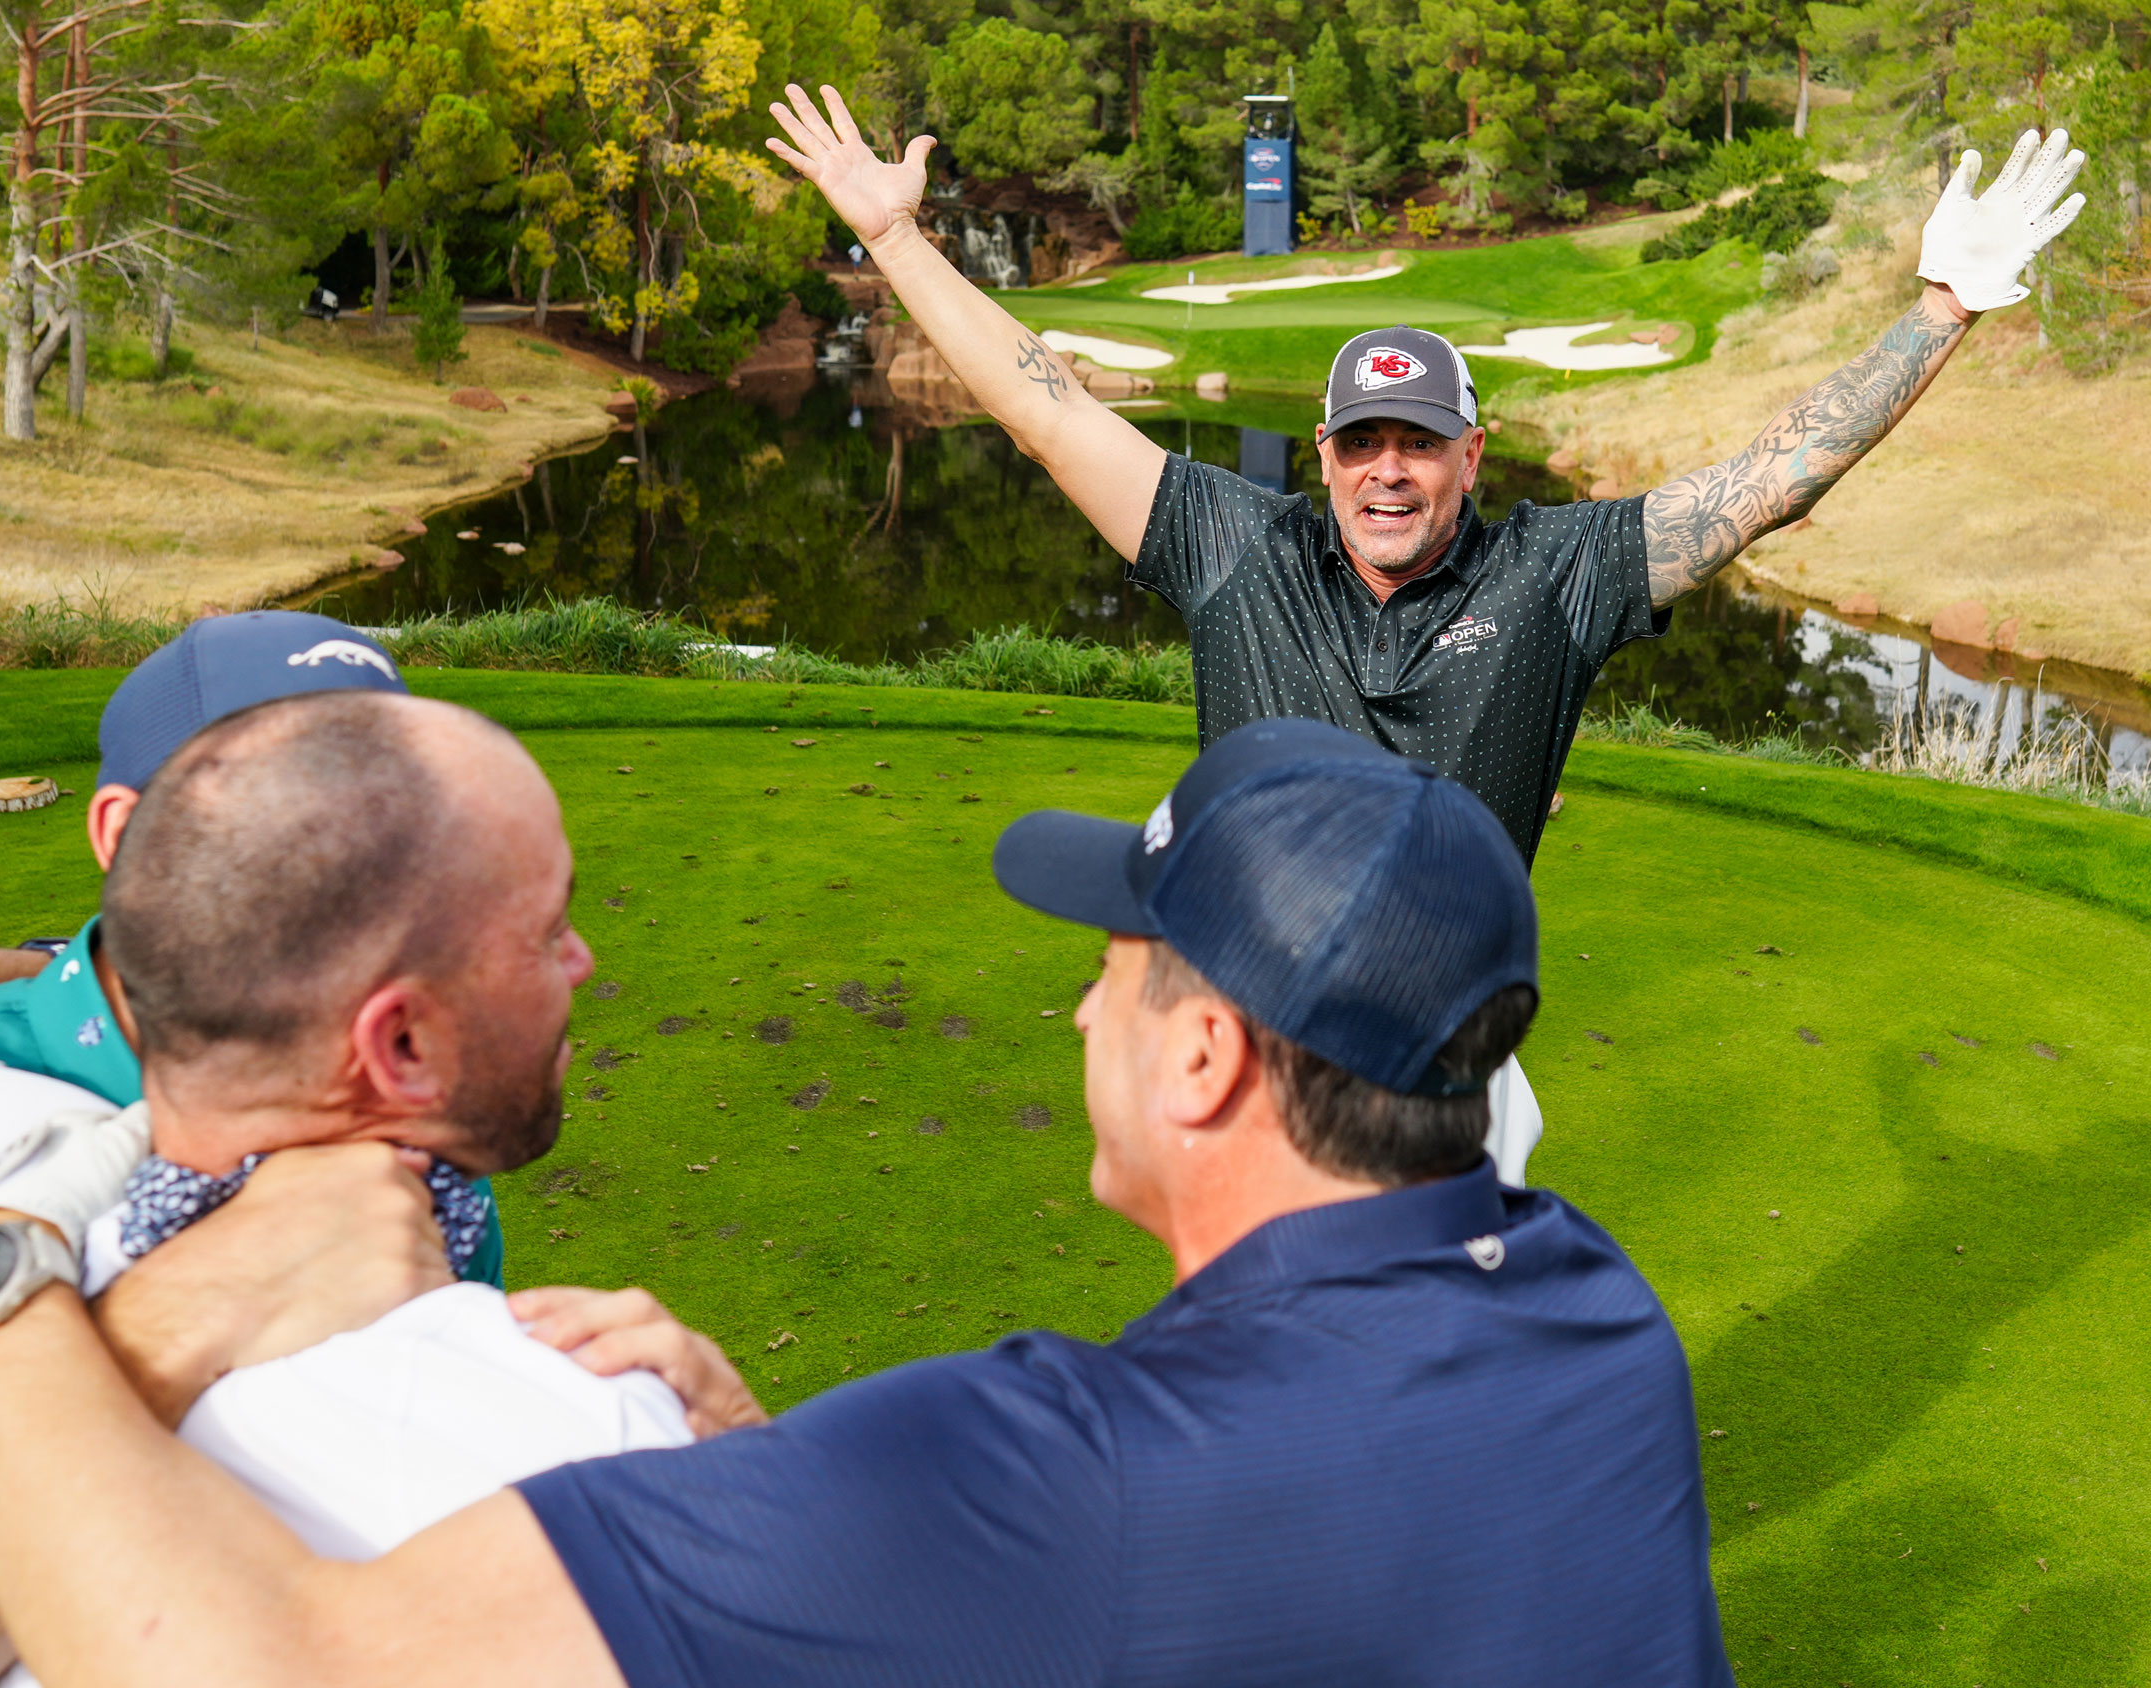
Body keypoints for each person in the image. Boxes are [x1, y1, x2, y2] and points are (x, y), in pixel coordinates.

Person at [0, 717, 1735, 1686]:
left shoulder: (1045, 1474)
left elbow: (228, 1659)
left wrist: (13, 1284)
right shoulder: (1591, 1309)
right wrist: (765, 1460)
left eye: (1117, 961)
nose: (1079, 997)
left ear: (1204, 1060)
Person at [764, 94, 2083, 1183]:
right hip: (1251, 1055)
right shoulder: (1234, 546)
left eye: (1418, 446)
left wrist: (1941, 312)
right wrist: (896, 239)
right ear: (1326, 454)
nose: (1386, 474)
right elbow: (1044, 407)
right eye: (1360, 444)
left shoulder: (1559, 571)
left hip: (1451, 1080)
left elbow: (1771, 481)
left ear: (1470, 453)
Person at [0, 690, 762, 1678]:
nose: (582, 961)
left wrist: (175, 967)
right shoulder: (592, 1431)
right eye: (548, 929)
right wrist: (759, 1473)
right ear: (396, 1048)